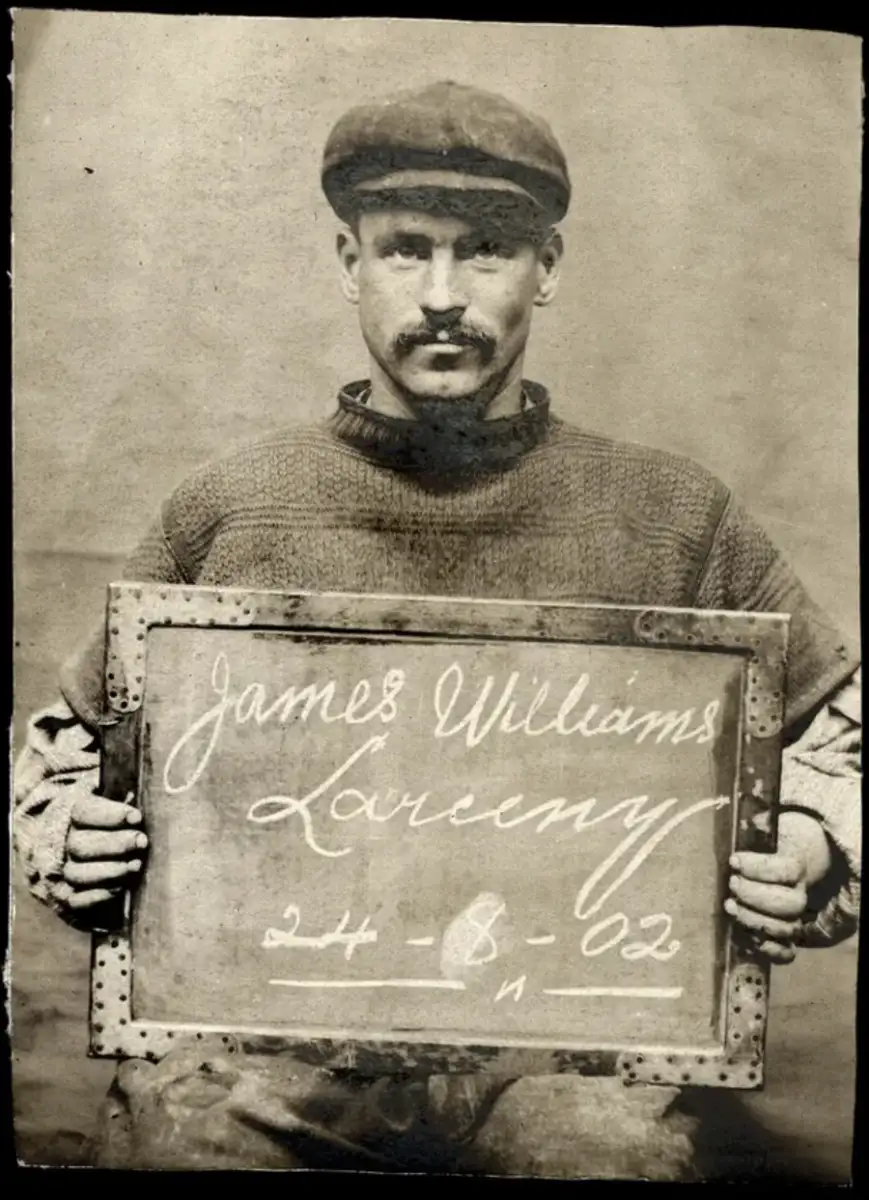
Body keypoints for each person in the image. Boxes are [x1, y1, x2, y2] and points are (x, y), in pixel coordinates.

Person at [14, 80, 861, 1179]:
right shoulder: (229, 507)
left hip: (566, 1055)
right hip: (264, 1046)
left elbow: (842, 740)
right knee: (189, 1136)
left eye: (489, 250)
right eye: (405, 249)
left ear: (545, 269)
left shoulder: (674, 515)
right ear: (346, 260)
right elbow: (66, 762)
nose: (444, 295)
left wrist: (808, 842)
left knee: (595, 1156)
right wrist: (67, 837)